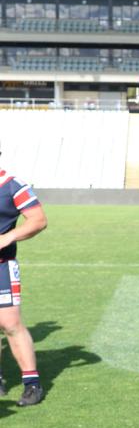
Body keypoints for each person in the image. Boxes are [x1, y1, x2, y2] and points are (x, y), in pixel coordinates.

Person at [0, 162, 48, 406]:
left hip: (2, 266)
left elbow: (38, 219)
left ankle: (32, 384)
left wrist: (8, 237)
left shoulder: (12, 186)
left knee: (10, 323)